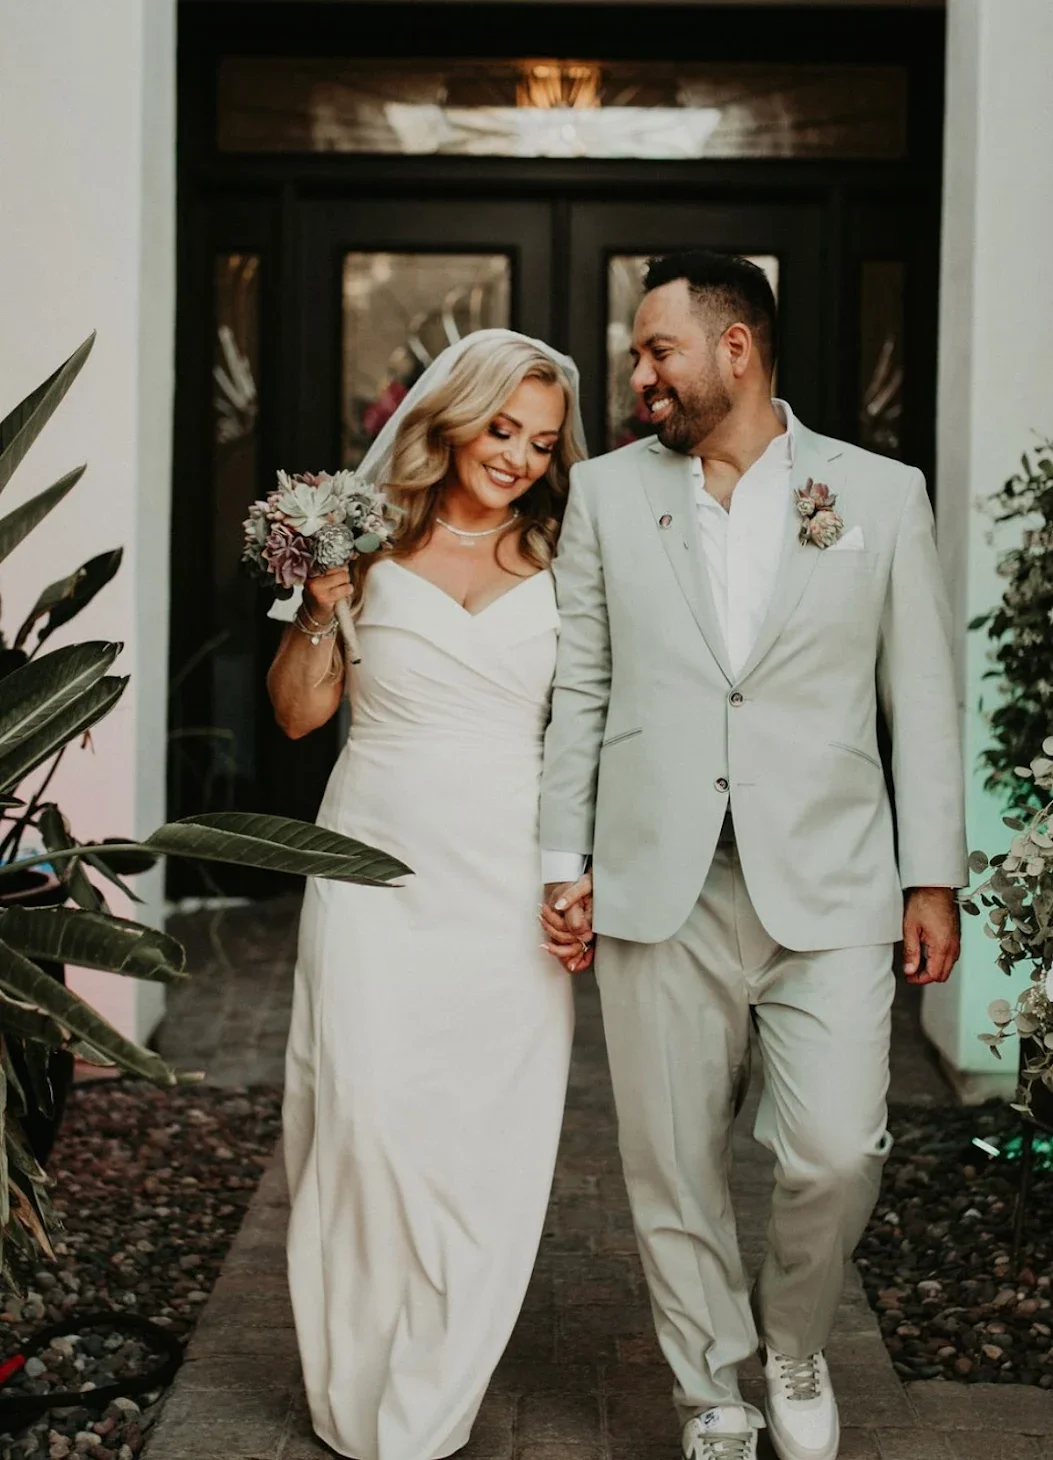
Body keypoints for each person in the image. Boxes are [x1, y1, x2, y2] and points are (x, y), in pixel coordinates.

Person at [538, 251, 966, 1460]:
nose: (638, 373)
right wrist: (563, 856)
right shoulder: (608, 494)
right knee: (671, 1162)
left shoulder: (878, 492)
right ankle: (710, 1390)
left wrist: (931, 877)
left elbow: (922, 696)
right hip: (658, 877)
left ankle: (794, 1341)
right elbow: (582, 686)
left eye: (657, 349)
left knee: (837, 1149)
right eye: (637, 352)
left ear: (736, 348)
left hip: (832, 878)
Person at [269, 330, 585, 1460]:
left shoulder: (569, 557)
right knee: (361, 1117)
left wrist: (580, 866)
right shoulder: (361, 541)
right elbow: (298, 715)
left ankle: (434, 1389)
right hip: (374, 863)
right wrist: (319, 606)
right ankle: (353, 1374)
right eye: (502, 428)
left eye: (540, 442)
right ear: (452, 419)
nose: (518, 457)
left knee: (483, 1140)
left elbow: (597, 728)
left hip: (507, 876)